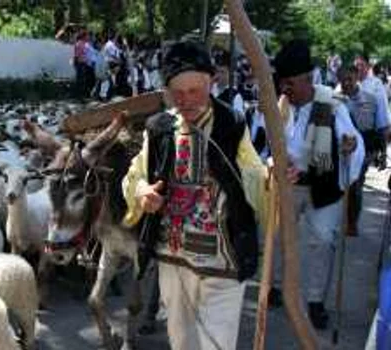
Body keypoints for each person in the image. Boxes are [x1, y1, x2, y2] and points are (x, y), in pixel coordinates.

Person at [122, 39, 275, 350]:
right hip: (173, 257)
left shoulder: (231, 124)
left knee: (217, 345)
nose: (187, 100)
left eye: (195, 90)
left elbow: (255, 175)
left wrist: (274, 179)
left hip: (223, 260)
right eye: (177, 93)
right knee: (181, 341)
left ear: (212, 82)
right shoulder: (160, 128)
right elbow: (135, 176)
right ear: (165, 91)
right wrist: (142, 193)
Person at [269, 40, 364, 329]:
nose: (285, 89)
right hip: (288, 182)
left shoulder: (331, 107)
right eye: (283, 83)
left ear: (307, 80)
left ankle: (314, 301)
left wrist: (349, 146)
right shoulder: (280, 105)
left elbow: (354, 141)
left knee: (323, 240)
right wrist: (271, 163)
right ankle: (275, 285)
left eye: (290, 84)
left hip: (323, 183)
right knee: (278, 234)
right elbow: (264, 143)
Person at [338, 65, 388, 236]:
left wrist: (383, 155)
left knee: (355, 183)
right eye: (342, 80)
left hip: (366, 148)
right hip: (341, 149)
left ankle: (352, 222)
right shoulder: (335, 100)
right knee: (341, 183)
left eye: (349, 79)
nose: (346, 83)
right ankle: (341, 218)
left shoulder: (372, 99)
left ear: (356, 78)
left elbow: (382, 127)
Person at [355, 54, 390, 169]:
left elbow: (382, 116)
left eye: (362, 65)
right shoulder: (349, 82)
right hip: (351, 134)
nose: (359, 68)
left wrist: (384, 153)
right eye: (357, 65)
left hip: (368, 135)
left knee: (360, 170)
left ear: (368, 66)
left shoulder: (376, 84)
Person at [211, 50, 245, 117]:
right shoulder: (209, 89)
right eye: (217, 71)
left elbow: (238, 122)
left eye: (222, 72)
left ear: (230, 73)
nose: (219, 75)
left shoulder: (235, 96)